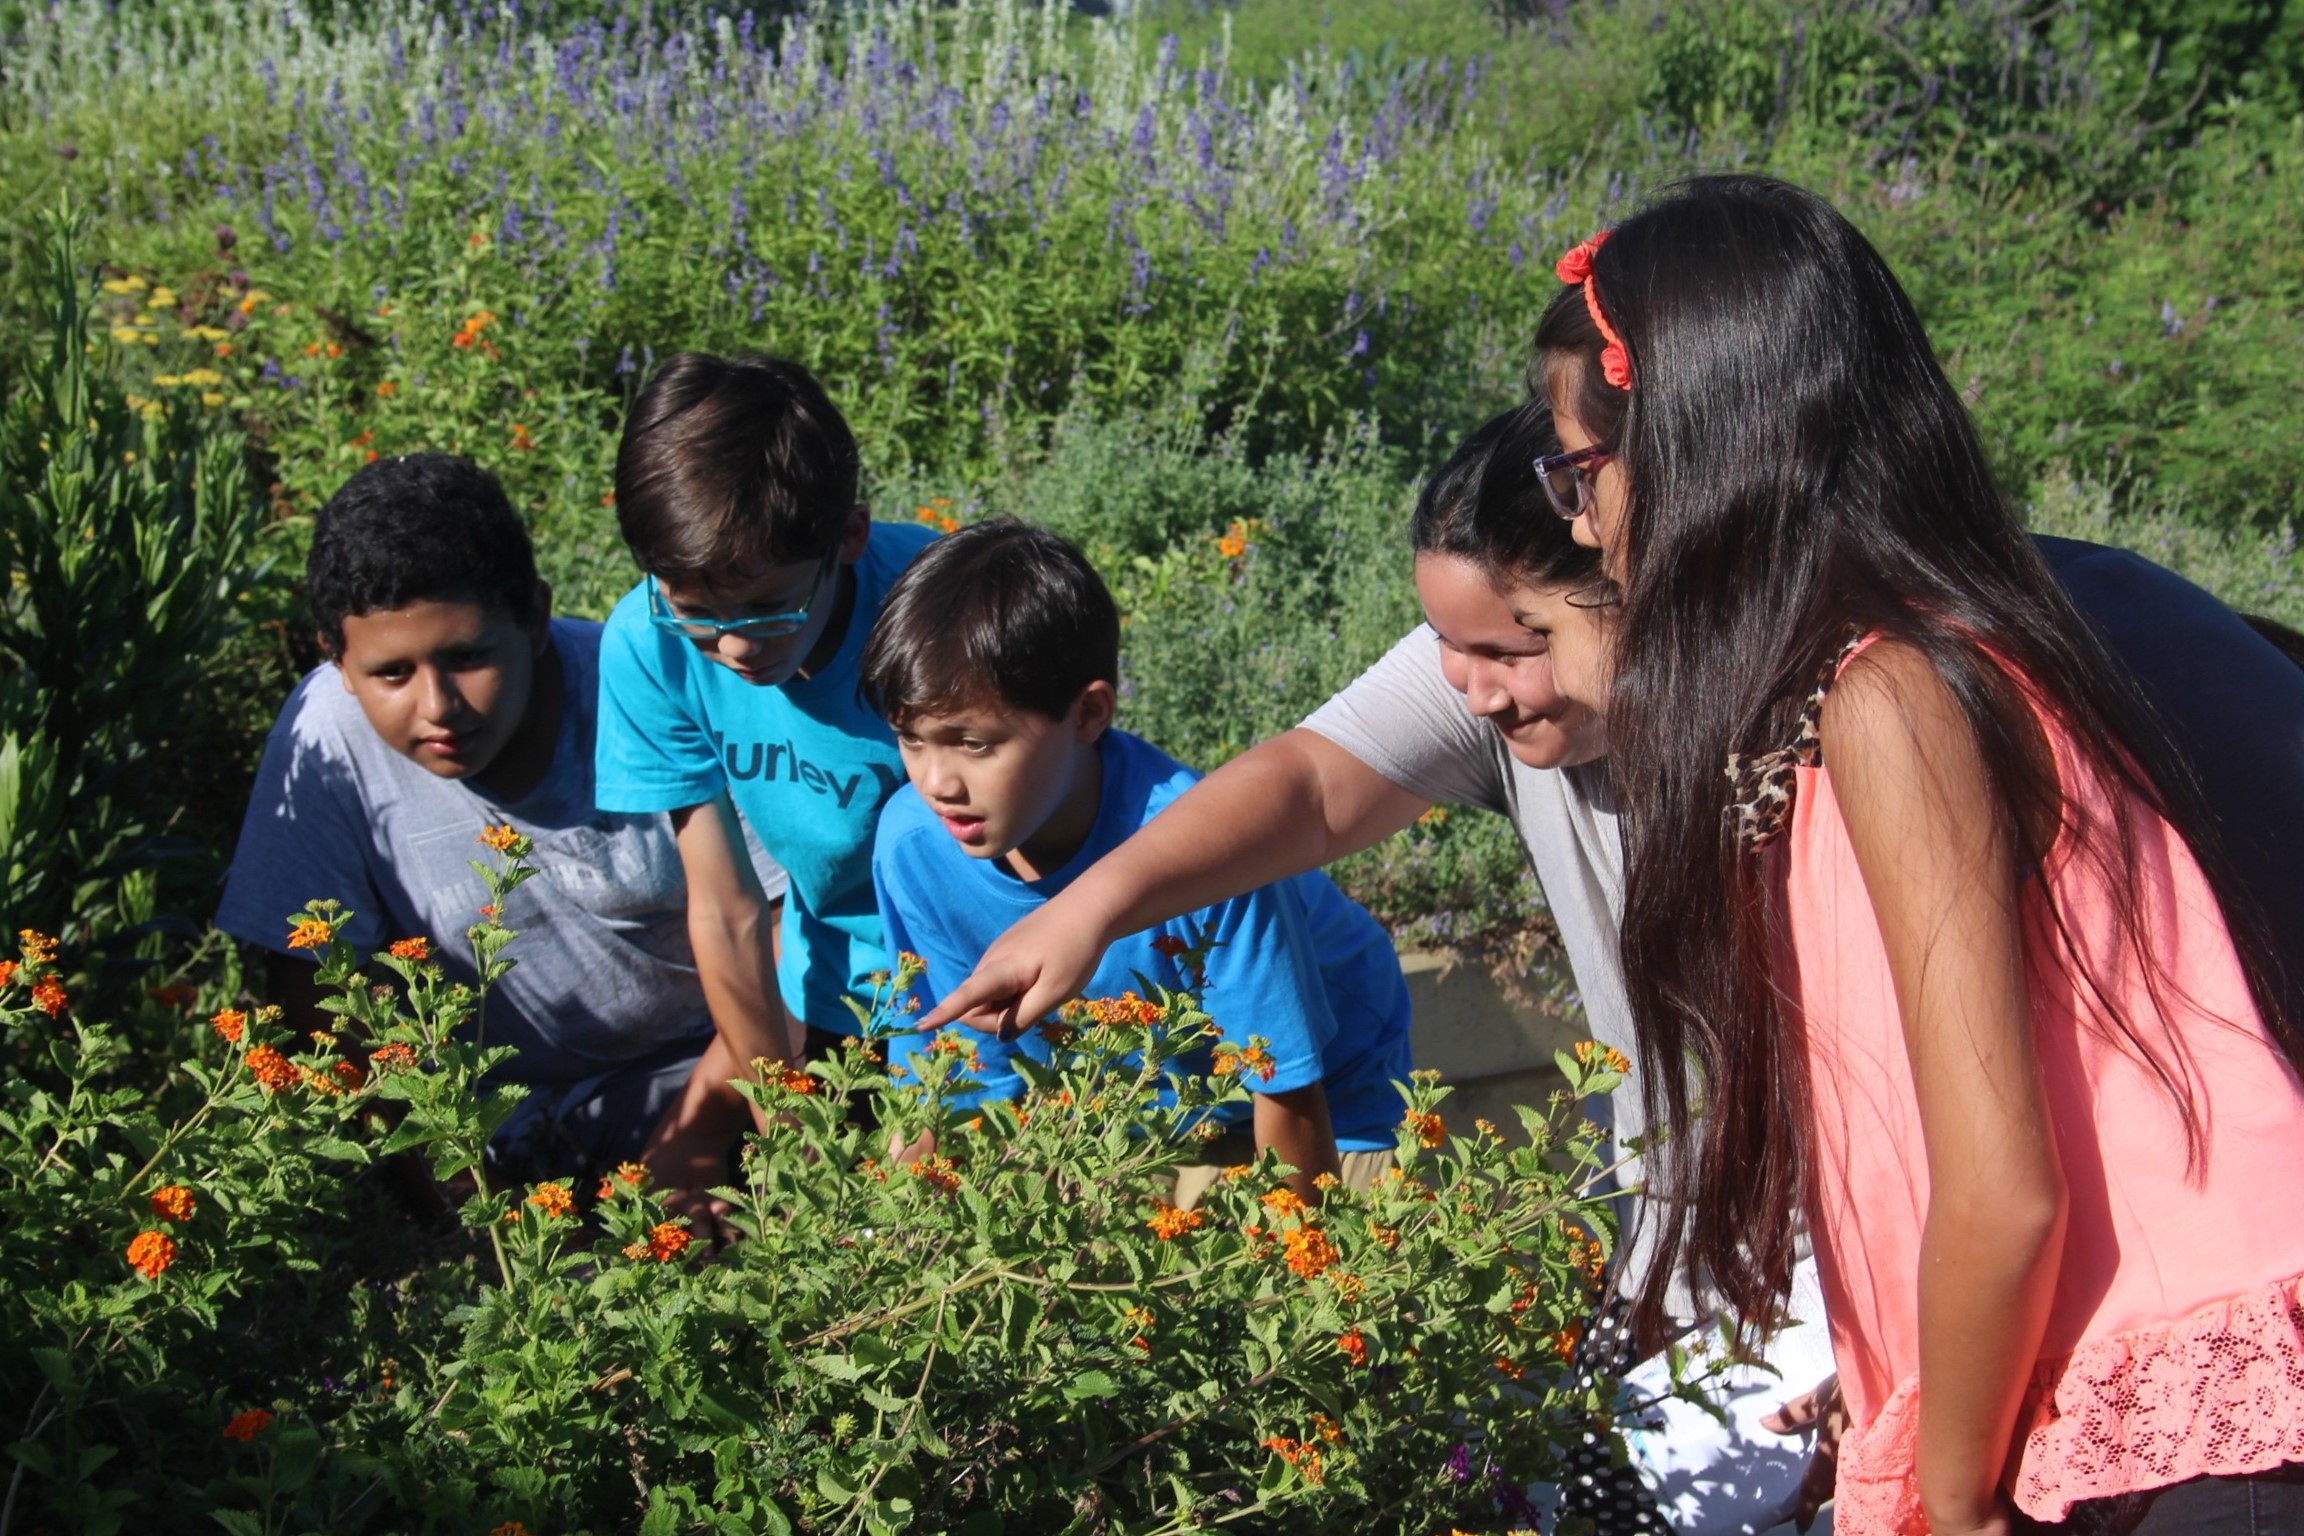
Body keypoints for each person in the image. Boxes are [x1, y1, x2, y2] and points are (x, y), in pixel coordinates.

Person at [915, 397, 2304, 1531]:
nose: (1469, 687)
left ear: (1649, 598)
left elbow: (1953, 1131)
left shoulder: (1846, 728)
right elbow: (1311, 786)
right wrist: (1088, 908)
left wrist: (1912, 1403)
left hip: (1891, 1271)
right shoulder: (1509, 675)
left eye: (1509, 647)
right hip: (1712, 1255)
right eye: (1449, 647)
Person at [1529, 174, 2304, 1535]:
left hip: (2163, 1430)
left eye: (1580, 473)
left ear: (1709, 449)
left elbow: (2000, 1190)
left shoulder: (1894, 698)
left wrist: (1948, 1498)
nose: (1581, 526)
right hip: (2090, 1417)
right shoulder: (1888, 685)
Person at [218, 453, 789, 1194]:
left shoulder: (646, 686)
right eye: (391, 674)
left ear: (535, 619)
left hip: (731, 1057)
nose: (436, 705)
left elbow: (788, 928)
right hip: (515, 1117)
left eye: (467, 657)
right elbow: (308, 985)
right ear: (336, 658)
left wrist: (702, 1131)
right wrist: (429, 1177)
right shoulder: (328, 735)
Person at [861, 519, 1414, 1203]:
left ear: (1089, 714)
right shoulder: (914, 845)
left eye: (974, 744)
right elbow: (961, 1076)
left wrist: (1295, 1277)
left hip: (1329, 1095)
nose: (938, 781)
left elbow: (1288, 1087)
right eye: (911, 741)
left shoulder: (1208, 854)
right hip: (1138, 1107)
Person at [593, 353, 937, 1121]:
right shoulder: (650, 646)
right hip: (843, 997)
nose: (736, 646)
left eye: (770, 607)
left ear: (848, 536)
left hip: (988, 967)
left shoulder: (939, 603)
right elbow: (725, 907)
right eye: (698, 613)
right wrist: (784, 1123)